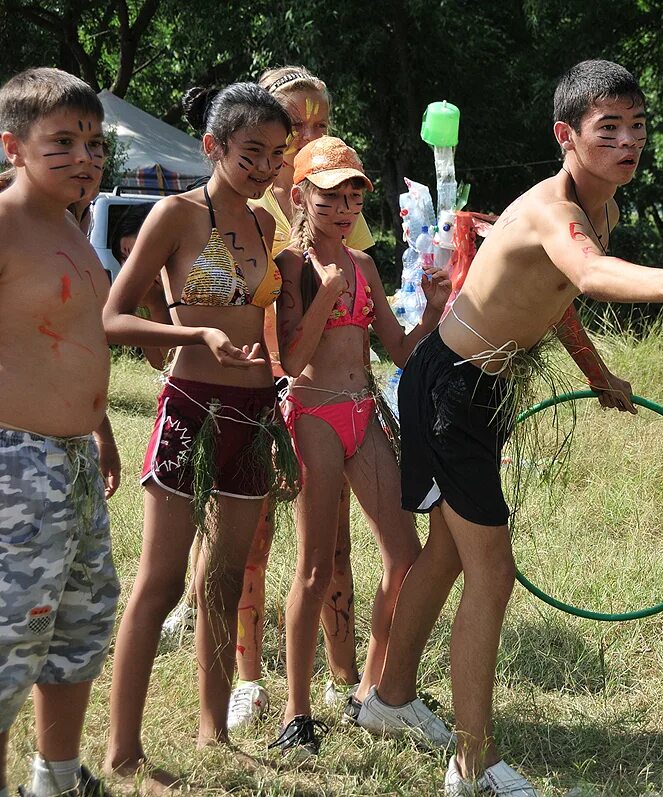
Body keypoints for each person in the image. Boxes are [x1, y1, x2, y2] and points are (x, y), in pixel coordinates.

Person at [364, 60, 663, 795]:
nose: (628, 141)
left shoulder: (604, 207)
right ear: (567, 136)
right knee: (492, 574)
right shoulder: (549, 209)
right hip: (449, 387)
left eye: (637, 127)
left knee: (447, 553)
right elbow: (590, 273)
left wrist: (597, 373)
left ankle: (389, 697)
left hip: (482, 388)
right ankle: (472, 761)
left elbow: (559, 294)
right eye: (610, 129)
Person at [161, 67, 372, 729]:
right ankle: (248, 677)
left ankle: (343, 674)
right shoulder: (246, 209)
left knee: (331, 544)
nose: (307, 135)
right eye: (293, 124)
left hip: (319, 401)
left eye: (317, 123)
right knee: (248, 541)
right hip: (255, 396)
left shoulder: (331, 197)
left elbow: (354, 295)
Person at [102, 82, 294, 779]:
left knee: (224, 579)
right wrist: (195, 330)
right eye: (252, 153)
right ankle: (123, 750)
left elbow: (283, 328)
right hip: (191, 405)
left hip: (254, 411)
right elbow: (114, 318)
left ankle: (214, 730)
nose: (267, 166)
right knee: (159, 582)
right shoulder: (175, 216)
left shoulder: (267, 226)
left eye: (277, 154)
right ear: (213, 147)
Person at [266, 135, 452, 757]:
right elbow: (290, 359)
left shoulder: (366, 266)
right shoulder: (290, 265)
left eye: (352, 196)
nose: (344, 208)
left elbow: (398, 351)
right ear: (301, 198)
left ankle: (371, 687)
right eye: (330, 196)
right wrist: (325, 293)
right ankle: (295, 710)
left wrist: (430, 313)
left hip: (363, 412)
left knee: (406, 554)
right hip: (313, 414)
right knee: (315, 568)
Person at [0, 67, 121, 797]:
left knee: (79, 622)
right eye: (64, 142)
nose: (85, 156)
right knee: (10, 636)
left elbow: (76, 339)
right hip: (16, 460)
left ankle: (58, 777)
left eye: (95, 142)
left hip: (72, 460)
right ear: (12, 146)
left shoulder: (72, 224)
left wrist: (100, 429)